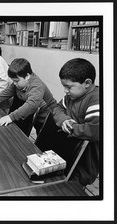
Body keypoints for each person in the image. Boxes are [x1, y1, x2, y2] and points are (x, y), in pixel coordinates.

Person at [53, 58, 99, 187]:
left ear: (87, 83)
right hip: (68, 151)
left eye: (68, 87)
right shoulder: (71, 96)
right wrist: (64, 120)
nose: (65, 91)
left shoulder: (96, 100)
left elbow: (94, 131)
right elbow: (57, 108)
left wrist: (70, 127)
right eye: (63, 86)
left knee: (73, 188)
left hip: (85, 161)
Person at [0, 58, 57, 134]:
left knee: (43, 139)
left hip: (49, 117)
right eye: (13, 81)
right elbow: (7, 92)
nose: (15, 83)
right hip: (35, 114)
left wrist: (11, 117)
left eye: (16, 81)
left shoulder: (37, 85)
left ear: (27, 76)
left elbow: (32, 105)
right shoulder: (19, 83)